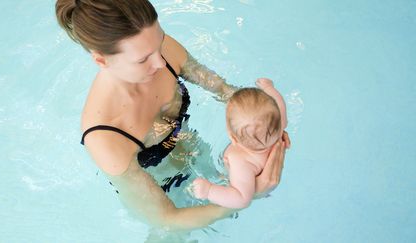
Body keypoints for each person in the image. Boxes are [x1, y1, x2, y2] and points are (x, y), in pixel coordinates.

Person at [55, 0, 290, 231]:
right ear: (101, 60)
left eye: (160, 41)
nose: (160, 60)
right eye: (142, 59)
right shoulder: (106, 136)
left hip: (199, 155)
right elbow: (166, 219)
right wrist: (248, 196)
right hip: (167, 188)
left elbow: (225, 91)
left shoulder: (159, 49)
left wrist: (265, 124)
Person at [191, 78, 288, 208]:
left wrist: (209, 191)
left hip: (244, 180)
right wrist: (269, 88)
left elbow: (241, 198)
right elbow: (279, 102)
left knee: (224, 179)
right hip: (263, 171)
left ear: (232, 137)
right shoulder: (280, 124)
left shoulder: (241, 161)